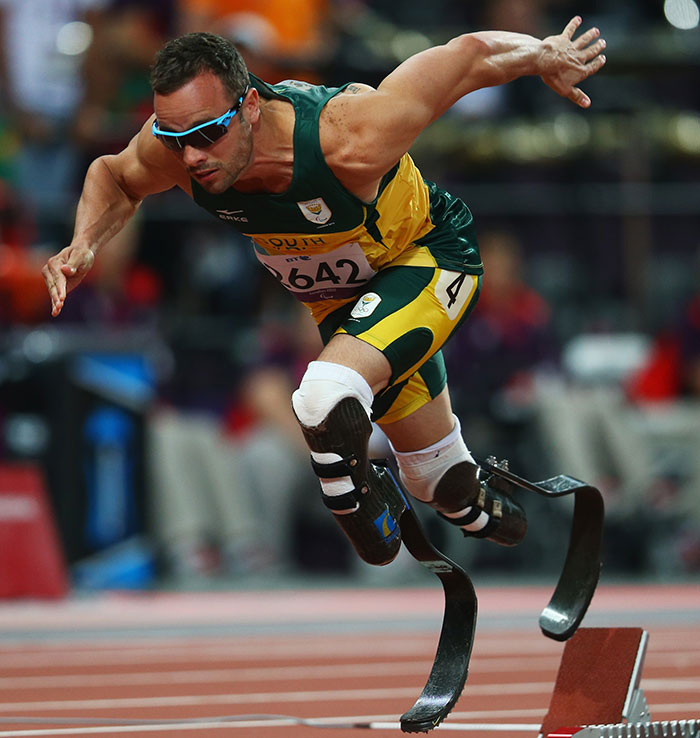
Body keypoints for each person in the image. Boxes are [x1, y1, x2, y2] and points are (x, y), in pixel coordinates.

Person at [42, 20, 606, 569]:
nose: (191, 157)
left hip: (424, 260)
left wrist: (541, 53)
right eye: (175, 138)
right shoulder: (179, 147)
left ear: (252, 107)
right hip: (343, 298)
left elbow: (468, 56)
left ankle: (374, 533)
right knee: (437, 480)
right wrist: (85, 241)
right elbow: (113, 176)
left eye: (207, 135)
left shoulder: (349, 136)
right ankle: (489, 506)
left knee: (322, 394)